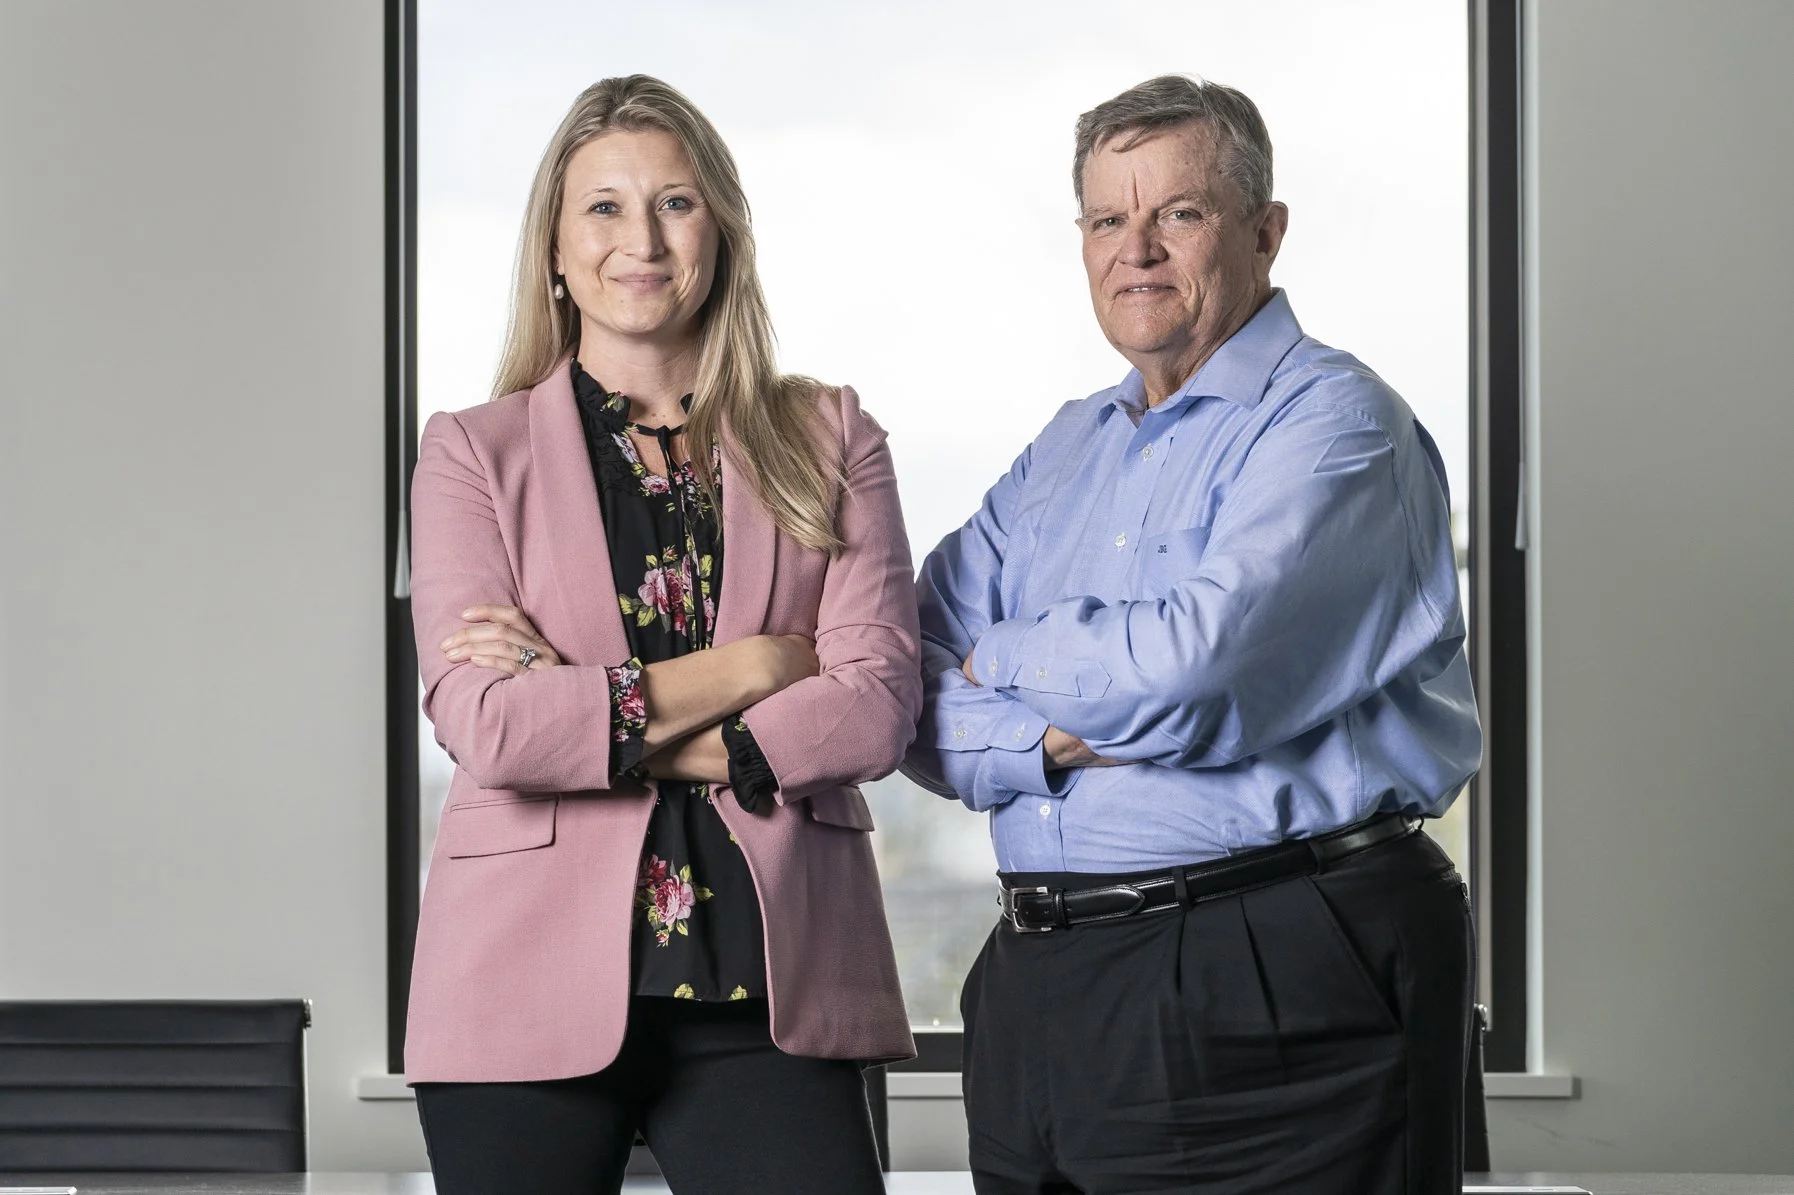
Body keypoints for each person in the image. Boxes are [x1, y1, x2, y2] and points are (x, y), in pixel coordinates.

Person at [903, 75, 1482, 1195]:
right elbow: (905, 688)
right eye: (1107, 220)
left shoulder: (1336, 426)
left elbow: (1194, 674)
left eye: (1180, 212)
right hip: (1039, 988)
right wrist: (1065, 733)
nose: (1139, 251)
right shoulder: (1061, 455)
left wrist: (1007, 655)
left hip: (1267, 959)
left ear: (1265, 230)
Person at [403, 75, 919, 1195]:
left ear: (722, 232)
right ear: (553, 242)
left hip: (773, 977)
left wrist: (587, 696)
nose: (640, 238)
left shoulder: (829, 435)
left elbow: (876, 700)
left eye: (676, 204)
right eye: (603, 207)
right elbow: (489, 724)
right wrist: (760, 665)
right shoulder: (469, 454)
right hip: (517, 975)